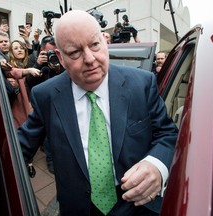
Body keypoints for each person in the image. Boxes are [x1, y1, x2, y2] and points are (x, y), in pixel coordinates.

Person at [18, 10, 178, 216]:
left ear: (104, 40)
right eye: (75, 52)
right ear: (60, 57)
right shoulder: (46, 96)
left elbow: (168, 134)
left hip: (138, 206)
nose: (90, 59)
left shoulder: (142, 83)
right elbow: (16, 149)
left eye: (94, 45)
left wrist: (156, 165)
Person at [26, 35, 64, 174]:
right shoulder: (33, 58)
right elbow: (28, 82)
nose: (51, 55)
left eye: (54, 52)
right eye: (49, 52)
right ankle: (50, 161)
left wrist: (58, 67)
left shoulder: (59, 58)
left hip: (59, 98)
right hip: (43, 101)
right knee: (47, 131)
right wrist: (37, 64)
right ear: (42, 50)